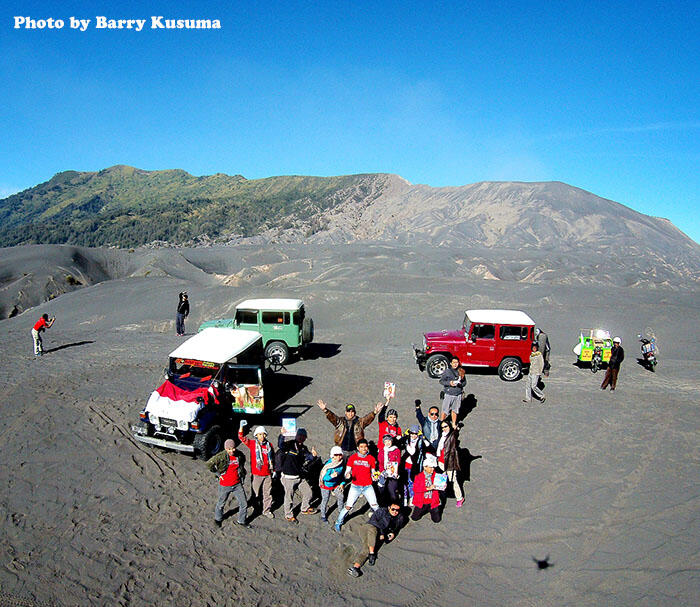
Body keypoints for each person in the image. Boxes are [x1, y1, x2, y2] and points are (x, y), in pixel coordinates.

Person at [347, 501, 406, 578]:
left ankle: (355, 567)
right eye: (393, 509)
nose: (395, 511)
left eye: (397, 510)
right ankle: (372, 553)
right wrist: (381, 533)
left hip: (376, 535)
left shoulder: (399, 518)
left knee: (367, 549)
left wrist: (392, 533)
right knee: (373, 530)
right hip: (367, 528)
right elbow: (373, 521)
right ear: (389, 508)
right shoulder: (381, 511)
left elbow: (396, 528)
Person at [334, 439, 379, 532]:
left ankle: (380, 523)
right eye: (361, 447)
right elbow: (348, 470)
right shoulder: (353, 458)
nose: (364, 449)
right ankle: (338, 522)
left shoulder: (371, 458)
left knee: (375, 506)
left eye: (365, 447)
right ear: (358, 448)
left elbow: (373, 472)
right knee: (348, 507)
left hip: (368, 486)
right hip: (355, 487)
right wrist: (347, 475)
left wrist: (375, 477)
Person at [277, 428, 319, 523]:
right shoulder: (290, 444)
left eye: (304, 436)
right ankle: (288, 515)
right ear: (296, 435)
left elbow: (309, 457)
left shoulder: (304, 448)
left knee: (308, 492)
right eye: (300, 435)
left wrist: (313, 455)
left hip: (299, 476)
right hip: (288, 477)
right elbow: (280, 445)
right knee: (289, 498)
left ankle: (304, 508)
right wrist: (282, 435)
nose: (301, 437)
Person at [317, 399, 383, 459]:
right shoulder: (340, 422)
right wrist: (325, 410)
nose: (350, 414)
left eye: (352, 412)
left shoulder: (359, 422)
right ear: (345, 412)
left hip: (355, 450)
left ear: (355, 412)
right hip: (342, 450)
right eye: (348, 412)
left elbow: (367, 419)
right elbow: (332, 417)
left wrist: (374, 412)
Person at [207, 438, 251, 528]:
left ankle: (241, 521)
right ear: (226, 449)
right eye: (229, 449)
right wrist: (219, 475)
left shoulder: (239, 455)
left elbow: (242, 463)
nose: (232, 450)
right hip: (224, 485)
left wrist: (242, 475)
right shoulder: (221, 456)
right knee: (221, 503)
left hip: (237, 484)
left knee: (244, 504)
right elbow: (209, 464)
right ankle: (218, 519)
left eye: (233, 448)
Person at [238, 422, 275, 519]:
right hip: (257, 474)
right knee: (255, 493)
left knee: (268, 493)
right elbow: (241, 437)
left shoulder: (269, 445)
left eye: (263, 434)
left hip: (267, 474)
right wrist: (241, 426)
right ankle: (255, 507)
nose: (262, 436)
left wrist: (273, 470)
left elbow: (272, 458)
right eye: (259, 434)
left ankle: (266, 510)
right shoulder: (252, 444)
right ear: (256, 435)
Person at [436, 421, 464, 508]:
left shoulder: (452, 436)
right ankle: (440, 498)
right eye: (443, 427)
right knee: (441, 481)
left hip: (449, 462)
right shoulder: (442, 436)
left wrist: (458, 428)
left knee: (453, 480)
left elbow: (456, 434)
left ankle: (459, 498)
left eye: (446, 426)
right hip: (441, 461)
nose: (444, 428)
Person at [410, 455, 442, 523]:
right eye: (430, 467)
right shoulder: (418, 477)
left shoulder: (436, 476)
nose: (432, 469)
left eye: (433, 467)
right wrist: (428, 488)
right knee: (415, 518)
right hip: (422, 501)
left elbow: (440, 486)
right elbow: (415, 489)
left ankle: (431, 509)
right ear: (425, 467)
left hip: (432, 501)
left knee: (437, 520)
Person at [319, 446, 346, 522]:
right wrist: (331, 476)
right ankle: (323, 515)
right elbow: (324, 477)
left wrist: (342, 483)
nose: (338, 457)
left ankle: (341, 513)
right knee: (325, 499)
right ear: (333, 455)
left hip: (336, 484)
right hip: (326, 485)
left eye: (340, 455)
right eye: (336, 455)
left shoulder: (341, 463)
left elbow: (342, 475)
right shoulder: (329, 466)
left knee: (341, 497)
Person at [401, 425, 426, 506]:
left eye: (415, 434)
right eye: (412, 433)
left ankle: (411, 497)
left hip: (414, 465)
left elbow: (415, 452)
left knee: (411, 482)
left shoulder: (420, 442)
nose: (413, 435)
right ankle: (405, 498)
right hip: (405, 464)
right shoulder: (406, 440)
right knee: (405, 482)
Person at [439, 357, 465, 427]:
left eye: (456, 363)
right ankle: (441, 423)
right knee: (445, 410)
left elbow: (465, 382)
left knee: (455, 410)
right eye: (454, 363)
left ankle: (453, 423)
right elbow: (441, 381)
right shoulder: (447, 371)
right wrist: (450, 383)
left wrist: (460, 384)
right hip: (449, 393)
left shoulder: (461, 371)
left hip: (458, 394)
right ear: (451, 363)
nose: (455, 364)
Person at [377, 434, 401, 506]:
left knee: (392, 491)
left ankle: (393, 505)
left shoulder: (396, 450)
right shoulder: (381, 451)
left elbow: (398, 462)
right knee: (381, 490)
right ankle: (381, 505)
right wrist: (382, 472)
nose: (388, 443)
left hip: (393, 473)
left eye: (389, 441)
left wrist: (394, 471)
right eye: (386, 441)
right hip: (384, 473)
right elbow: (380, 463)